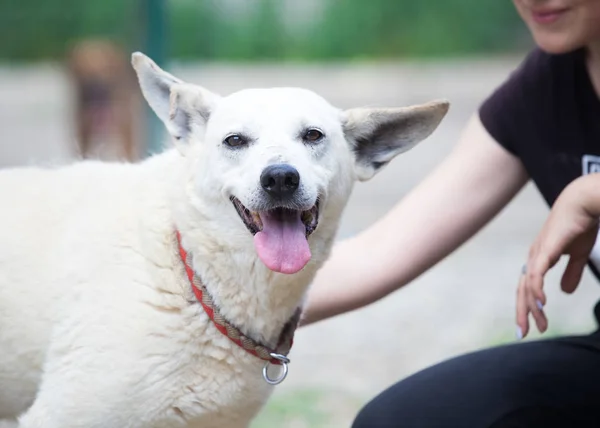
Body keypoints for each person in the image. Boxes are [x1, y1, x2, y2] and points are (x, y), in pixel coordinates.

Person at [301, 0, 600, 426]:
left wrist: (590, 191)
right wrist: (206, 303)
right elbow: (381, 251)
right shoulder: (544, 88)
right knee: (399, 420)